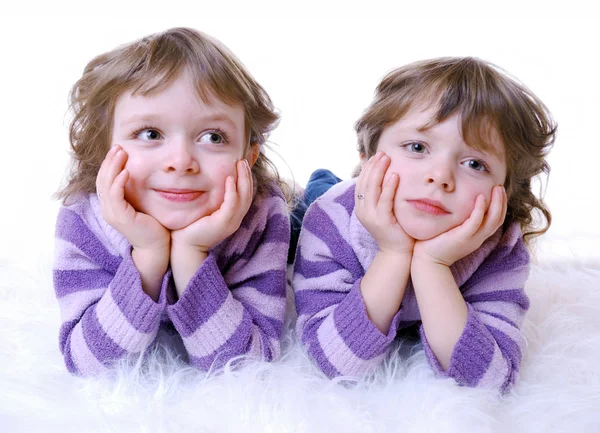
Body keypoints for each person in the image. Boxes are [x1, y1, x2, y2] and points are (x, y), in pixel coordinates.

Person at [292, 57, 556, 393]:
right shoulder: (330, 218)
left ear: (504, 191)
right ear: (369, 156)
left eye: (475, 163)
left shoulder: (498, 243)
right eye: (417, 147)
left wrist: (433, 264)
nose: (441, 176)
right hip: (334, 201)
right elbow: (333, 361)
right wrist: (393, 253)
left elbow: (489, 378)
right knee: (303, 207)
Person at [53, 27, 291, 376]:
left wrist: (191, 254)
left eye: (213, 137)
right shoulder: (84, 219)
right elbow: (87, 362)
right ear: (105, 149)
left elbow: (247, 365)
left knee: (313, 206)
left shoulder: (261, 217)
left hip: (288, 210)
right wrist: (148, 256)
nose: (180, 161)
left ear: (249, 156)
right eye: (150, 134)